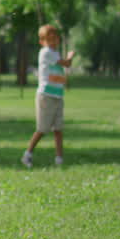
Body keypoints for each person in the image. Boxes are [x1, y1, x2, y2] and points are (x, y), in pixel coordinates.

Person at [22, 24, 74, 167]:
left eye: (55, 38)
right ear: (42, 42)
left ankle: (59, 160)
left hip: (57, 95)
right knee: (42, 129)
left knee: (58, 129)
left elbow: (59, 72)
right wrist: (70, 56)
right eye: (49, 39)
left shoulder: (55, 52)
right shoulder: (46, 52)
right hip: (46, 96)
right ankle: (27, 155)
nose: (53, 41)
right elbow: (66, 63)